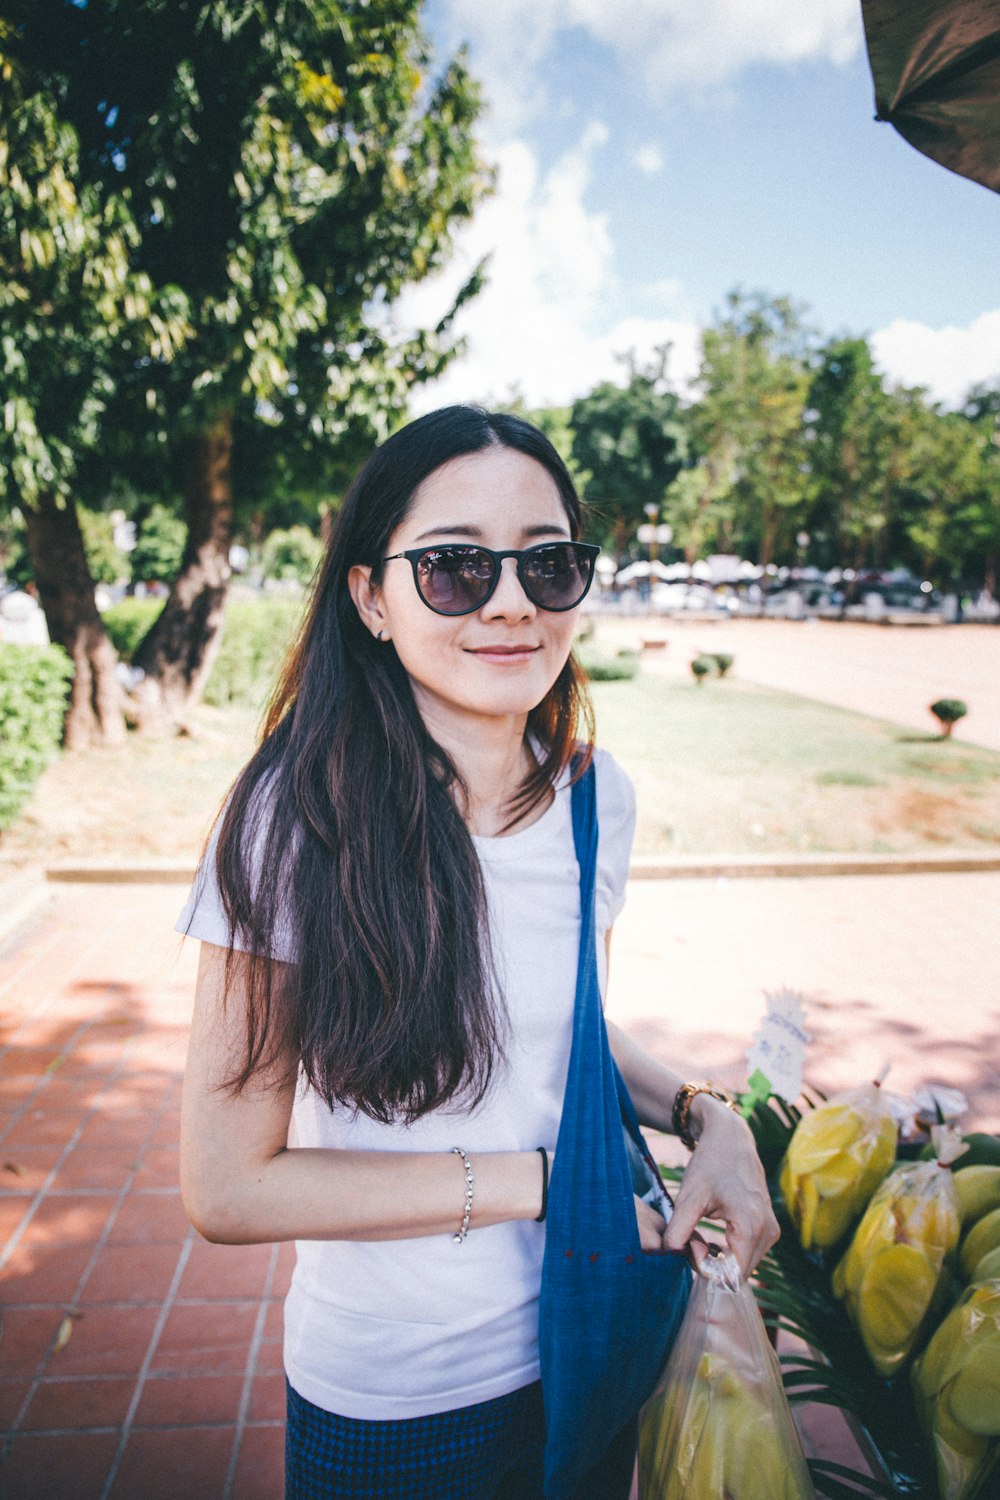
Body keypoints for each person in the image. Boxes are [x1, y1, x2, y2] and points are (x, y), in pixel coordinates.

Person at [178, 405, 778, 1500]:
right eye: (455, 567)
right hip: (396, 1403)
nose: (511, 603)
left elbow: (556, 1026)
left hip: (589, 1345)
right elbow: (227, 1187)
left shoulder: (597, 801)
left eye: (548, 567)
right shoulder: (290, 820)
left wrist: (706, 1115)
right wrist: (543, 1185)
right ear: (369, 596)